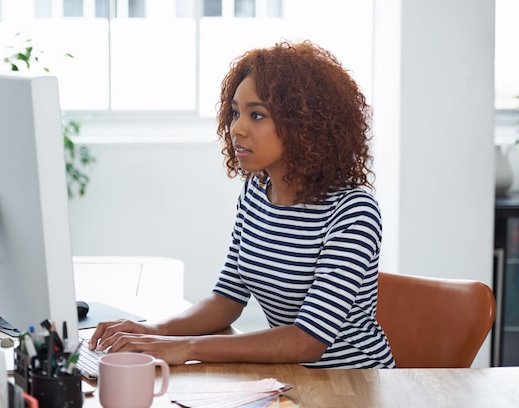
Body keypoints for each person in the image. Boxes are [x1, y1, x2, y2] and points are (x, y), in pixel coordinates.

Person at [89, 40, 395, 369]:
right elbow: (227, 299)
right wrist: (154, 332)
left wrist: (187, 349)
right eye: (235, 112)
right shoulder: (255, 193)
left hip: (355, 385)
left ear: (305, 125)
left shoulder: (352, 211)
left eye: (257, 115)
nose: (237, 128)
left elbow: (307, 341)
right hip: (294, 380)